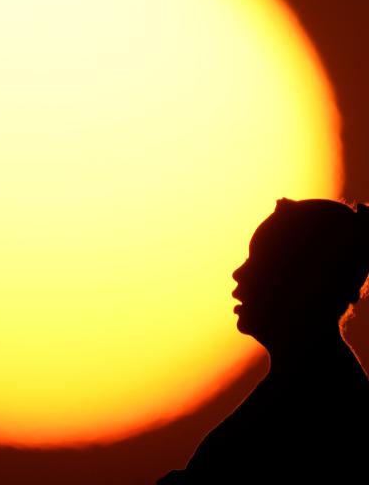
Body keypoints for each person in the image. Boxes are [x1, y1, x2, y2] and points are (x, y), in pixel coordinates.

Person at [157, 198, 369, 483]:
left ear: (302, 282)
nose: (239, 274)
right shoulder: (317, 382)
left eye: (260, 262)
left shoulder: (316, 402)